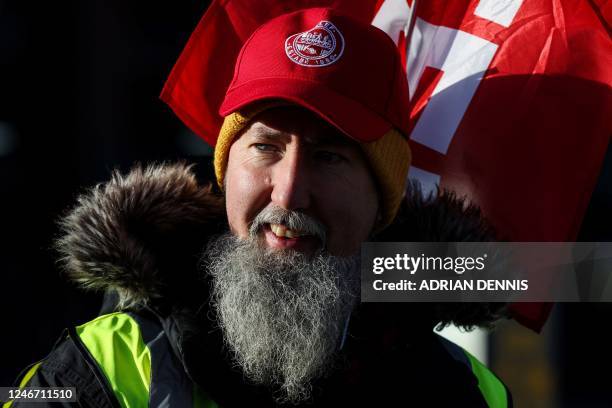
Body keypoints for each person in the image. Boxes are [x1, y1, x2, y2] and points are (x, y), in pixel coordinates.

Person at [5, 8, 511, 408]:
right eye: (266, 148)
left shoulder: (465, 392)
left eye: (329, 157)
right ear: (226, 170)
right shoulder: (98, 366)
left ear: (383, 197)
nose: (288, 194)